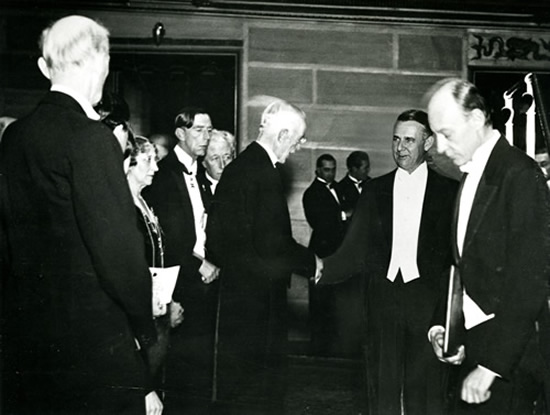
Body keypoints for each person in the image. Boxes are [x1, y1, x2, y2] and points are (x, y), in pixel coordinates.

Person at [0, 16, 162, 415]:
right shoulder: (92, 139)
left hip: (30, 335)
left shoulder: (16, 136)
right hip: (93, 340)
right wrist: (144, 327)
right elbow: (118, 252)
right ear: (101, 62)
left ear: (44, 67)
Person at [318, 109, 458, 415]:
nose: (400, 147)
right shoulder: (373, 189)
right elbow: (352, 250)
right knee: (383, 387)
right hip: (383, 299)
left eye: (410, 139)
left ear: (428, 143)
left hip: (428, 303)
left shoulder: (449, 191)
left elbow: (454, 258)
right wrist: (316, 268)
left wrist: (448, 316)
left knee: (428, 390)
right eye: (396, 139)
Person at [427, 78, 550, 415]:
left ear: (477, 119)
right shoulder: (470, 175)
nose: (438, 147)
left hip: (508, 363)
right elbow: (459, 266)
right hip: (474, 348)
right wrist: (444, 328)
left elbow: (530, 282)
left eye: (446, 133)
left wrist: (491, 368)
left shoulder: (520, 175)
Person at [206, 99, 322, 414]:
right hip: (255, 305)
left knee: (249, 389)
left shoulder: (244, 168)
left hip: (245, 299)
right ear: (283, 135)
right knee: (255, 392)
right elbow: (274, 243)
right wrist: (312, 263)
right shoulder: (260, 172)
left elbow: (217, 242)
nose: (298, 148)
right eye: (297, 140)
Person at [143, 107, 220, 412]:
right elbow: (166, 238)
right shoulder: (163, 173)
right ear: (181, 133)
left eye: (209, 130)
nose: (206, 137)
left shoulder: (200, 172)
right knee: (175, 369)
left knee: (197, 367)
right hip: (178, 283)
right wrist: (198, 264)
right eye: (199, 130)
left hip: (203, 281)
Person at [125, 135, 185, 383]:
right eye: (148, 160)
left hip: (157, 304)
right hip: (138, 306)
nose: (156, 167)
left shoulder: (145, 202)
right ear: (129, 163)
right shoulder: (122, 205)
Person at [302, 154, 346, 355]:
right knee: (320, 300)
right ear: (317, 170)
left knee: (336, 300)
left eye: (333, 169)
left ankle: (333, 344)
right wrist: (345, 215)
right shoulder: (311, 193)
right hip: (322, 251)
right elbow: (321, 222)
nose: (330, 174)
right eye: (326, 170)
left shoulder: (339, 187)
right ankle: (318, 345)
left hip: (338, 252)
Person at [197, 128, 235, 212]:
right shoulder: (195, 188)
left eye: (227, 157)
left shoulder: (242, 185)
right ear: (203, 162)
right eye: (215, 158)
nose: (222, 165)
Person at [337, 150, 371, 220]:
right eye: (365, 168)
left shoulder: (372, 184)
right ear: (354, 169)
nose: (368, 170)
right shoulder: (340, 188)